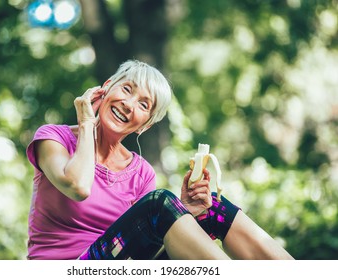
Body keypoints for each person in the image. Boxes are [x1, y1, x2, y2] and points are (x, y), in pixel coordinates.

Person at [26, 60, 294, 260]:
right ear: (105, 89)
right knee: (158, 204)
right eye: (127, 89)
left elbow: (142, 249)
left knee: (212, 210)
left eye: (144, 105)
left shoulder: (141, 173)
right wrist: (86, 123)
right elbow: (78, 186)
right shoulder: (54, 138)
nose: (130, 104)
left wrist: (183, 213)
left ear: (145, 125)